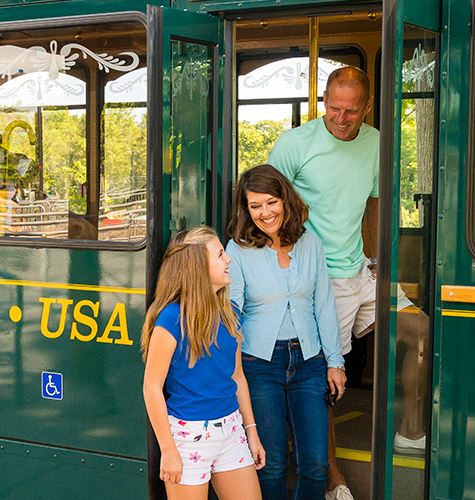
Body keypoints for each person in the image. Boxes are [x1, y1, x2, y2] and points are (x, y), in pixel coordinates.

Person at [265, 66, 378, 500]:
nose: (341, 118)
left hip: (360, 269)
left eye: (351, 111)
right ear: (323, 101)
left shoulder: (377, 143)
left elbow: (373, 205)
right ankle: (333, 477)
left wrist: (377, 261)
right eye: (333, 108)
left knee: (420, 335)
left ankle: (409, 435)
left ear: (366, 107)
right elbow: (267, 208)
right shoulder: (294, 144)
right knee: (325, 374)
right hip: (319, 275)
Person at [225, 165, 345, 500]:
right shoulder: (237, 250)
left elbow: (323, 305)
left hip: (309, 362)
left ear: (285, 200)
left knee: (316, 464)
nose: (264, 213)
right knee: (272, 463)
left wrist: (335, 362)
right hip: (259, 364)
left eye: (271, 202)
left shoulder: (311, 243)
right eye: (255, 206)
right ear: (246, 210)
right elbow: (232, 312)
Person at [142, 226, 265, 500]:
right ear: (198, 267)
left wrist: (251, 433)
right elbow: (151, 387)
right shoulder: (171, 319)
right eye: (220, 254)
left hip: (232, 431)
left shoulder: (230, 312)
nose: (228, 259)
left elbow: (237, 378)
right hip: (188, 437)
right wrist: (169, 450)